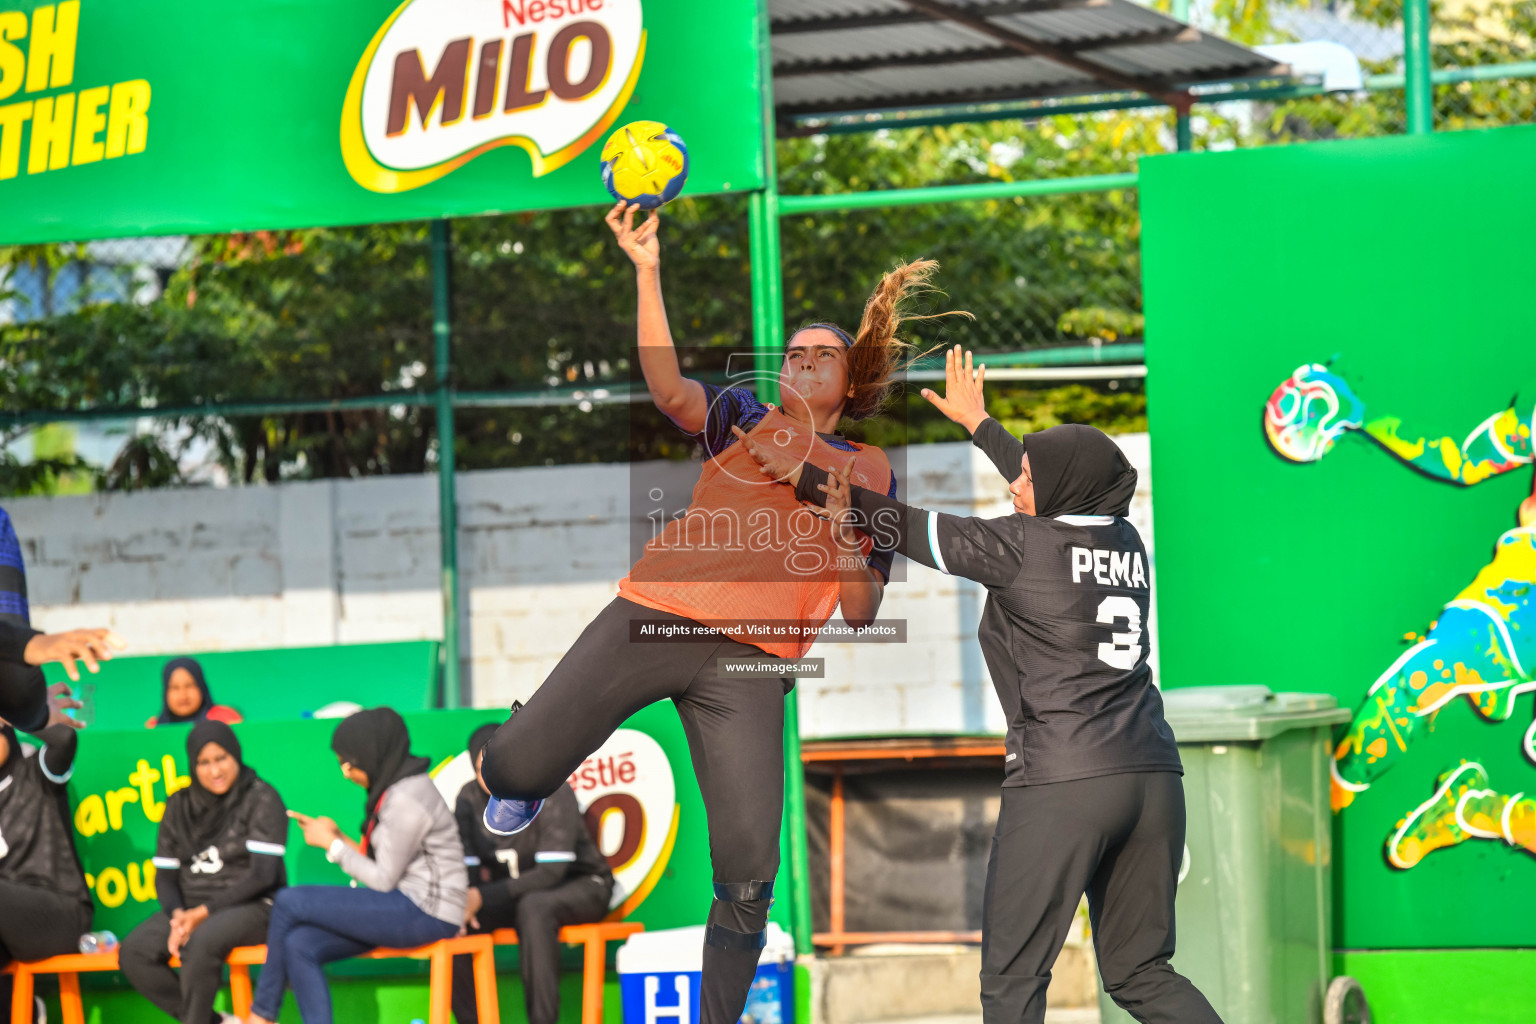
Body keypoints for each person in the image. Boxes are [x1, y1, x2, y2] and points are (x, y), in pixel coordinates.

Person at [479, 203, 964, 1023]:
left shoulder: (870, 468)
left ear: (851, 382)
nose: (805, 362)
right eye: (796, 354)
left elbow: (857, 610)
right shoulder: (744, 419)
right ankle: (517, 751)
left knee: (748, 874)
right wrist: (646, 269)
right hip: (655, 614)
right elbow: (667, 388)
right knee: (513, 774)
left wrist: (847, 522)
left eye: (824, 356)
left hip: (753, 666)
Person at [735, 346, 1221, 1024]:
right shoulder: (1124, 540)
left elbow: (903, 526)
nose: (1016, 474)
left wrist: (810, 479)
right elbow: (1058, 482)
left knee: (1013, 982)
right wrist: (980, 424)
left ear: (1057, 489)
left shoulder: (1019, 547)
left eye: (1026, 469)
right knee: (1142, 972)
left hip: (1063, 782)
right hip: (1153, 781)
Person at [247, 708, 464, 1024]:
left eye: (348, 763)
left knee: (289, 901)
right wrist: (337, 838)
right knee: (299, 944)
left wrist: (331, 846)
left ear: (371, 753)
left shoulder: (407, 798)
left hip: (427, 911)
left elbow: (383, 879)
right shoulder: (398, 788)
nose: (346, 772)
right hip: (407, 905)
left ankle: (261, 1016)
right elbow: (386, 862)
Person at [119, 720, 288, 1024]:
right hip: (191, 907)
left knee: (201, 943)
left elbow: (263, 876)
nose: (215, 771)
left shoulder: (262, 798)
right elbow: (166, 876)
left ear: (236, 755)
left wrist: (203, 913)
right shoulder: (179, 804)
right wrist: (177, 917)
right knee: (134, 952)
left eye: (221, 758)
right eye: (204, 762)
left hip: (255, 904)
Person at [452, 724, 613, 1024]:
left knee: (535, 907)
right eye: (480, 768)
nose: (489, 776)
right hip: (516, 893)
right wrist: (467, 904)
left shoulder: (549, 789)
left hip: (582, 884)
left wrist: (480, 897)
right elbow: (468, 872)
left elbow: (551, 874)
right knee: (457, 919)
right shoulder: (469, 798)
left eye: (496, 766)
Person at [0, 693, 94, 1024]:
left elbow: (64, 739)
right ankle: (19, 1011)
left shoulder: (35, 773)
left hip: (62, 911)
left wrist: (15, 705)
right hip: (11, 926)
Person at [147, 658, 243, 728]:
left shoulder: (225, 719)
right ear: (165, 693)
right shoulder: (154, 728)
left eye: (189, 685)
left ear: (201, 687)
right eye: (175, 688)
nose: (183, 695)